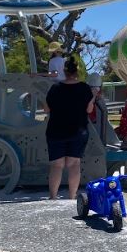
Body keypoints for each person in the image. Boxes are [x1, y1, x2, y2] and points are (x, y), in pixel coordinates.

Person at [45, 56, 94, 200]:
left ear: (64, 71)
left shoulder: (55, 88)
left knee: (56, 165)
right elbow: (89, 110)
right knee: (73, 165)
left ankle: (53, 197)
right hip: (78, 132)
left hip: (56, 131)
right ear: (77, 71)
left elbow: (46, 109)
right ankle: (72, 197)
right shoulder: (85, 88)